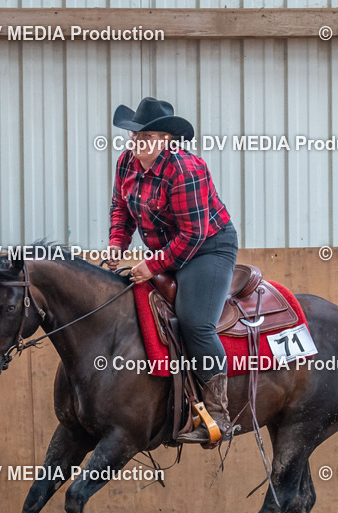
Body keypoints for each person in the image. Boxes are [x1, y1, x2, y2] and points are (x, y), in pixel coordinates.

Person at [105, 97, 239, 443]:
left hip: (208, 248)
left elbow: (193, 234)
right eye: (134, 136)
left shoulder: (186, 169)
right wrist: (116, 244)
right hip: (170, 247)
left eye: (145, 137)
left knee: (196, 321)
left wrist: (153, 265)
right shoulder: (127, 163)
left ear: (166, 140)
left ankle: (220, 414)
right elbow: (120, 206)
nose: (136, 143)